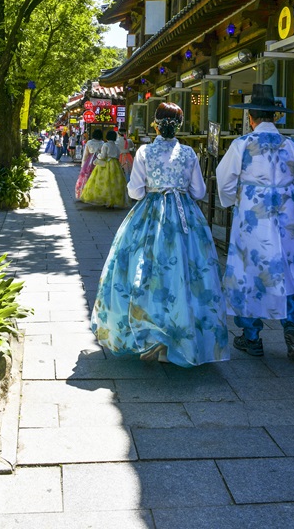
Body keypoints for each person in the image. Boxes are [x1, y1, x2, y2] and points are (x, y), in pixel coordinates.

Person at [91, 102, 229, 366]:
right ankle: (175, 341)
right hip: (185, 218)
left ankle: (149, 333)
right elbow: (199, 192)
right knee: (184, 276)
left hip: (149, 216)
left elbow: (135, 191)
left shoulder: (145, 151)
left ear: (155, 124)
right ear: (179, 125)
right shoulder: (189, 153)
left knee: (145, 273)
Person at [216, 84, 294, 361]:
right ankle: (291, 325)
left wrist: (236, 200)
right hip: (284, 217)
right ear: (276, 117)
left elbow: (225, 181)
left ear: (250, 118)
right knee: (286, 269)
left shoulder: (242, 144)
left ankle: (251, 336)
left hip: (251, 217)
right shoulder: (292, 145)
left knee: (250, 271)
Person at [80, 130, 128, 208]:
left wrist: (98, 156)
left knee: (104, 181)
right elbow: (118, 155)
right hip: (115, 165)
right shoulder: (116, 146)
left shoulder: (105, 145)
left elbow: (103, 156)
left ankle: (105, 200)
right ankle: (111, 201)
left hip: (106, 164)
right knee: (114, 182)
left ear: (107, 137)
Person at [75, 128, 105, 199]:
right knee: (98, 178)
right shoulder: (103, 143)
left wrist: (83, 165)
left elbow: (85, 155)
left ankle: (86, 193)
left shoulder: (89, 142)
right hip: (99, 161)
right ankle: (97, 194)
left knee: (87, 178)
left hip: (89, 162)